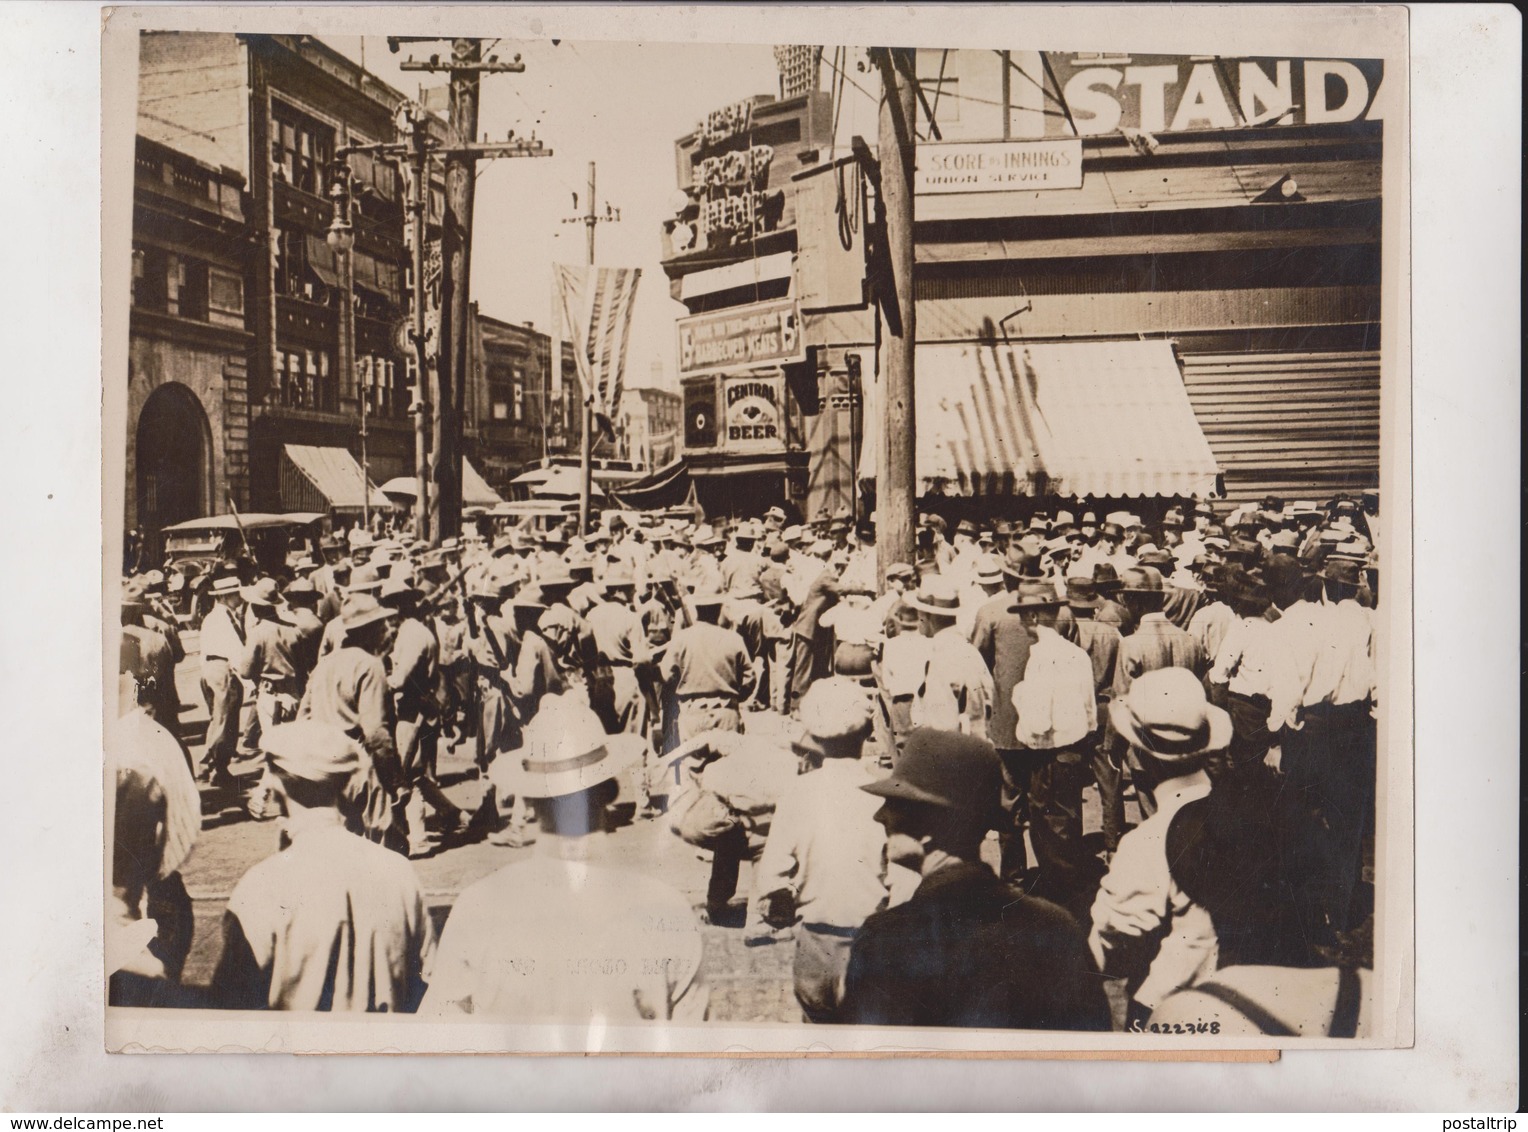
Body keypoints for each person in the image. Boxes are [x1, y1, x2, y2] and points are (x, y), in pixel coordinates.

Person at [422, 697, 709, 1022]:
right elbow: (693, 1058)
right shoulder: (666, 911)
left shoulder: (477, 907)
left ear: (528, 800)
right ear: (610, 793)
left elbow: (437, 1040)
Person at [837, 728, 1111, 1030]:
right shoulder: (1056, 927)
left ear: (931, 827)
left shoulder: (887, 940)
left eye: (896, 803)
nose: (881, 816)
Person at [210, 721, 435, 1011]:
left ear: (278, 782)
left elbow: (230, 1006)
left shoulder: (262, 885)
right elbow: (428, 987)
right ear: (342, 782)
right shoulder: (400, 873)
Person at [1089, 669, 1228, 1026]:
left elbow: (1110, 942)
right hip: (1248, 1000)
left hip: (1171, 1011)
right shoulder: (1243, 811)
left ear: (1140, 755)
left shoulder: (1148, 841)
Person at [750, 679, 889, 1021]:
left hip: (814, 944)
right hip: (870, 944)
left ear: (813, 735)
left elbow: (772, 879)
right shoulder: (886, 792)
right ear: (869, 730)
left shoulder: (797, 793)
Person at [1007, 581, 1100, 920]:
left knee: (1049, 833)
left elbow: (1036, 720)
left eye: (1022, 614)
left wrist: (1019, 696)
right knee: (1069, 827)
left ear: (1033, 615)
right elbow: (1090, 712)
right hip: (1075, 749)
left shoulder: (1040, 658)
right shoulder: (1075, 653)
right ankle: (1071, 899)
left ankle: (1061, 909)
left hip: (1048, 753)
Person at [298, 592, 403, 853]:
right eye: (381, 625)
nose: (386, 631)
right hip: (357, 763)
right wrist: (393, 775)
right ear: (370, 631)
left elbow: (303, 716)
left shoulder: (324, 664)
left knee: (338, 843)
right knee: (378, 843)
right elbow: (375, 732)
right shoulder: (369, 665)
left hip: (323, 764)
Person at [904, 576, 993, 739]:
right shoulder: (969, 651)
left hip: (952, 752)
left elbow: (942, 723)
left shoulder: (942, 658)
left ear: (926, 616)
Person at [660, 593, 755, 742]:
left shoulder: (681, 639)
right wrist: (734, 697)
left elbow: (667, 675)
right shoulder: (734, 639)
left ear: (697, 609)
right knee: (728, 762)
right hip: (726, 714)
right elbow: (749, 679)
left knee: (691, 763)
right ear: (719, 609)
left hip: (692, 714)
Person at [197, 575, 247, 789]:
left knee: (219, 719)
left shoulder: (218, 616)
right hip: (221, 668)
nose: (240, 598)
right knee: (225, 720)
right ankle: (208, 764)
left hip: (212, 668)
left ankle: (218, 767)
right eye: (236, 594)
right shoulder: (222, 618)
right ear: (226, 596)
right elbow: (234, 649)